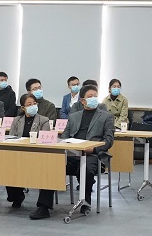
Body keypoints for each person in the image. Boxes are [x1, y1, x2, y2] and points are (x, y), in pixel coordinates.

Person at [32, 83, 114, 220]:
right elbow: (65, 136)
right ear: (82, 100)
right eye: (90, 96)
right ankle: (43, 207)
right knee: (51, 166)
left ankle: (85, 201)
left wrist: (94, 148)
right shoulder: (74, 116)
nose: (93, 98)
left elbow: (109, 140)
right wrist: (66, 145)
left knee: (86, 169)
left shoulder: (106, 116)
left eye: (95, 96)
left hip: (92, 154)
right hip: (72, 153)